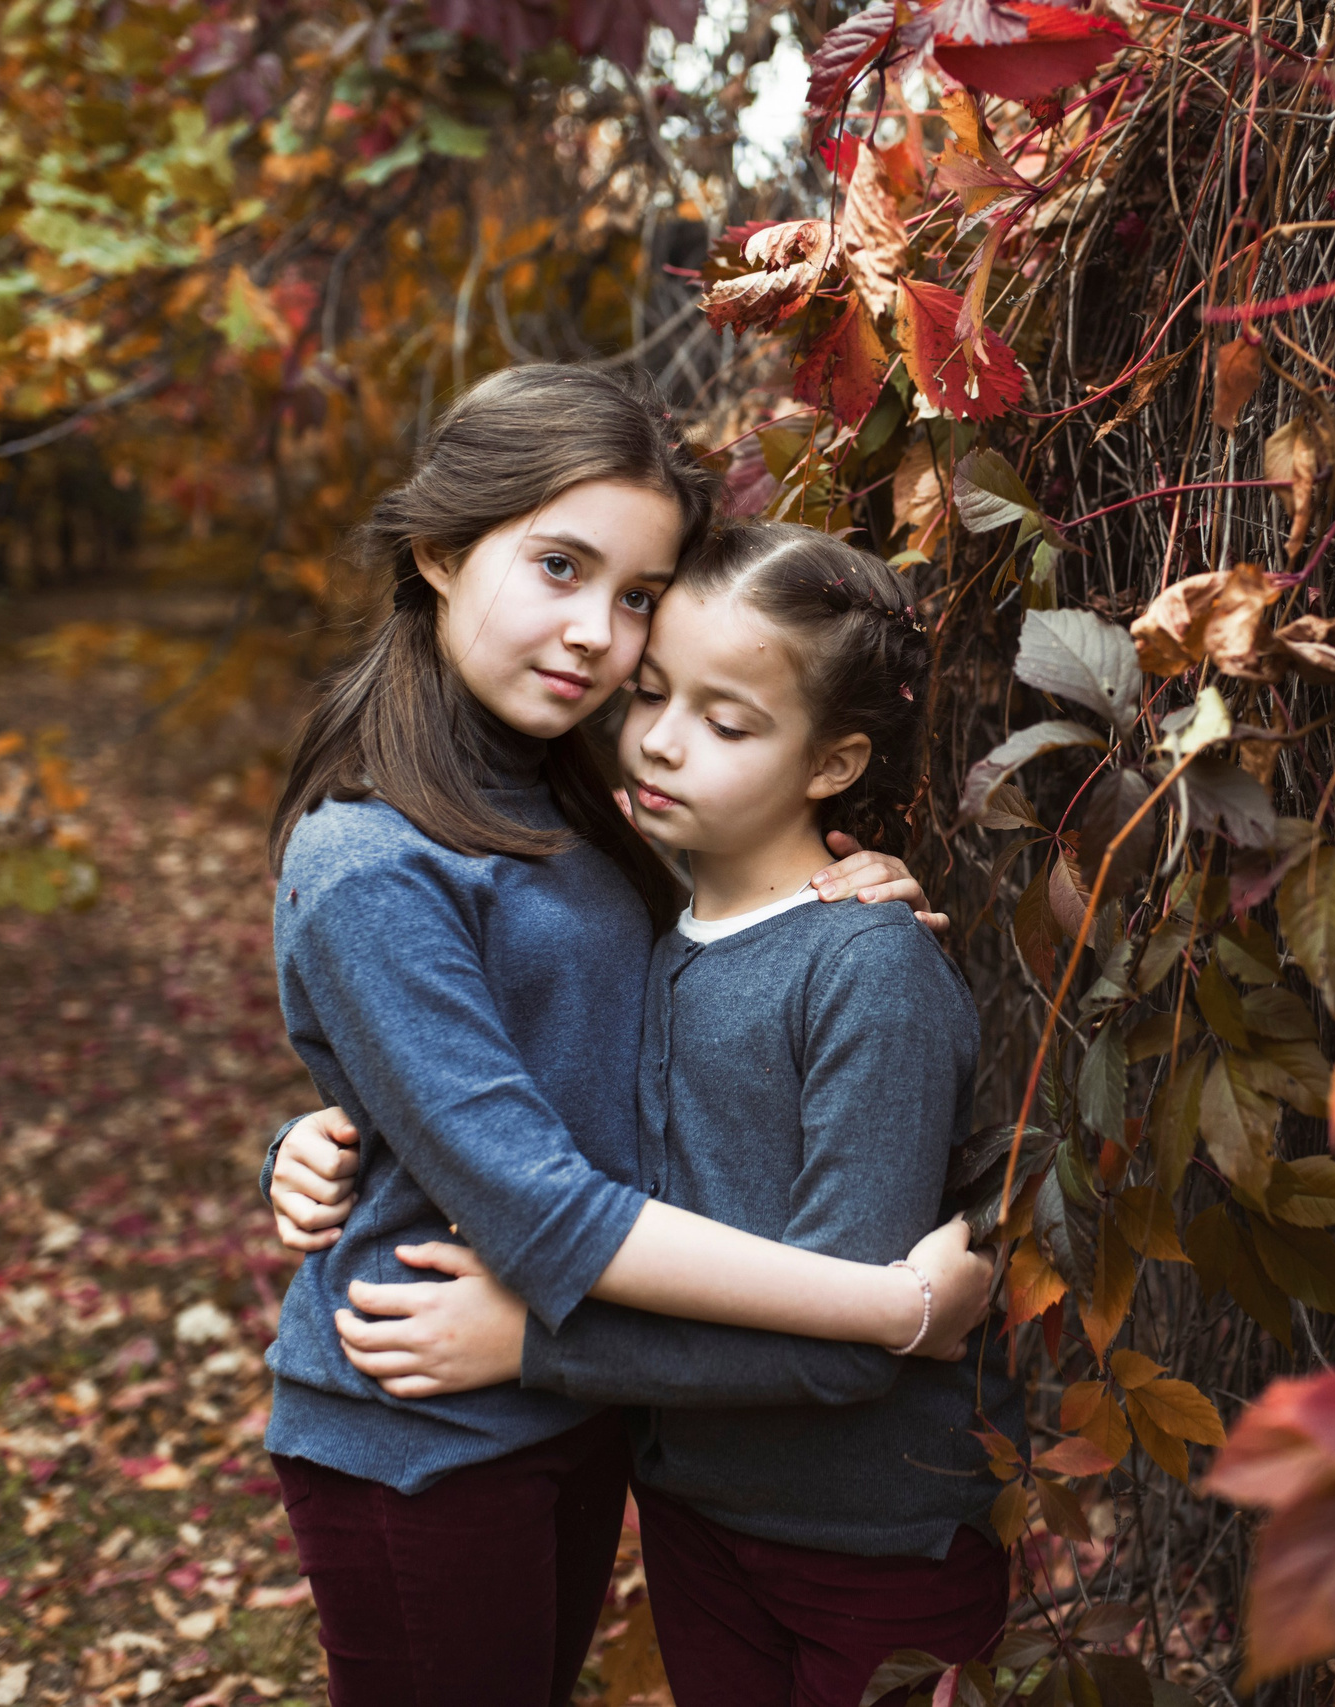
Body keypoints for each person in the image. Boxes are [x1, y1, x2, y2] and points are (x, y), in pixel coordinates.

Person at [258, 366, 993, 1707]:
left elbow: (600, 1021)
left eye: (638, 595)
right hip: (420, 1405)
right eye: (557, 566)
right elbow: (534, 1199)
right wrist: (890, 1309)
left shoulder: (582, 795)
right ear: (436, 549)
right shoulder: (366, 855)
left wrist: (839, 888)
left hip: (577, 1404)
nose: (598, 632)